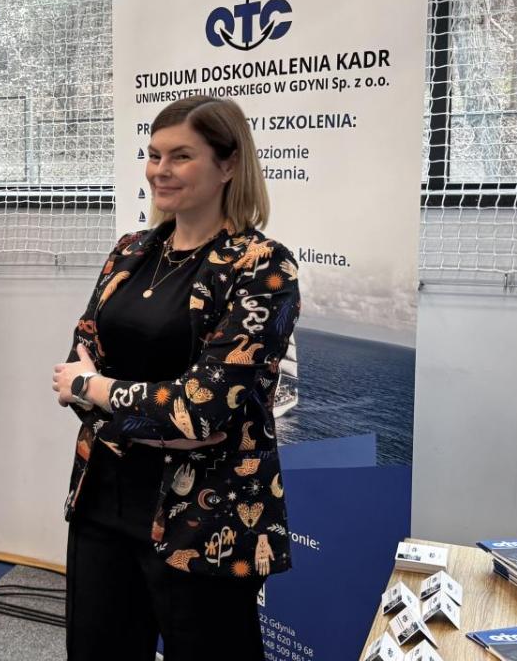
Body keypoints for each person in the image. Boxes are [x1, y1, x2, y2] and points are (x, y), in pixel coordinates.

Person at [51, 95, 300, 660]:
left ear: (228, 165)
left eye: (181, 156)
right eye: (153, 155)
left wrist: (99, 389)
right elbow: (75, 368)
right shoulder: (130, 251)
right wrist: (156, 418)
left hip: (206, 520)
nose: (159, 170)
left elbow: (205, 411)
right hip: (102, 502)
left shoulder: (261, 265)